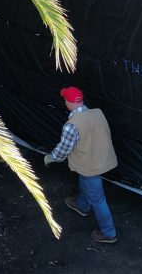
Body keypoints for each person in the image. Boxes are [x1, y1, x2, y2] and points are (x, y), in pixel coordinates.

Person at [43, 86, 119, 245]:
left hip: (89, 166)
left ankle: (109, 233)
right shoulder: (98, 113)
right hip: (102, 159)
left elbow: (63, 151)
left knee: (98, 200)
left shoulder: (72, 125)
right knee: (86, 180)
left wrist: (50, 158)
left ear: (68, 103)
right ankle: (82, 205)